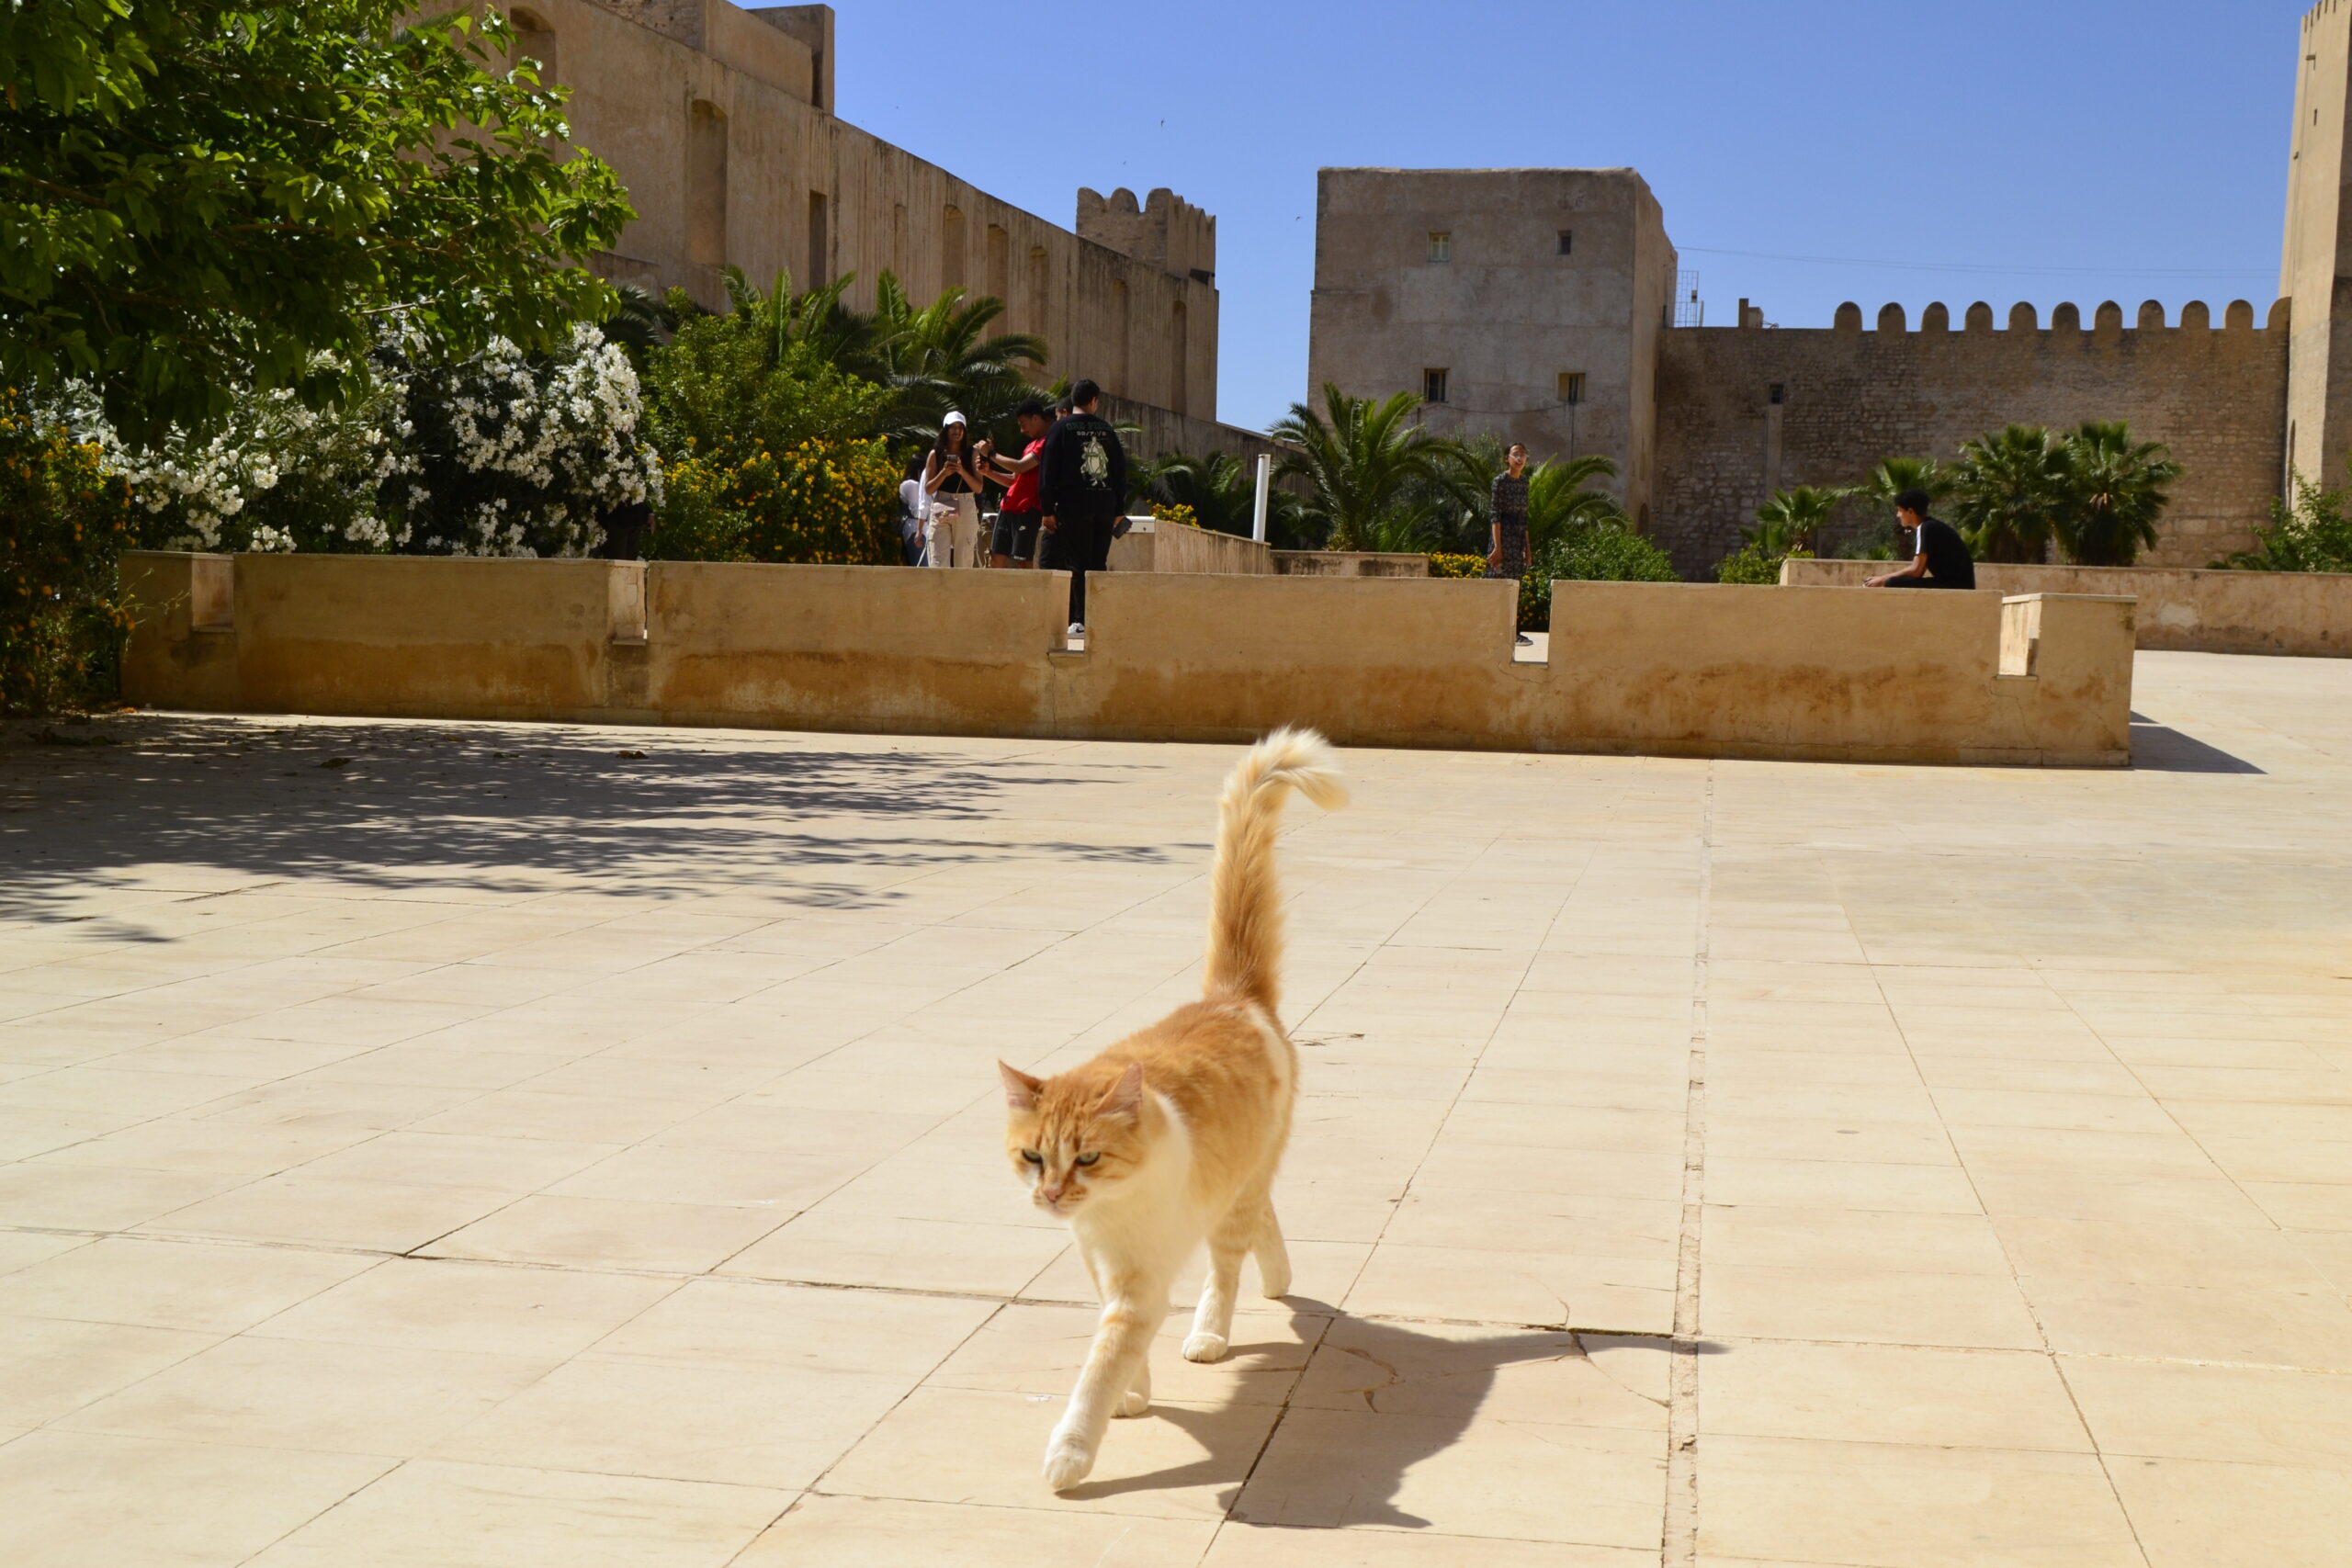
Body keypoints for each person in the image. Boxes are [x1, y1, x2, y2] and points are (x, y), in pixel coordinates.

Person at [1038, 378, 1127, 636]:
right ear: (1094, 401)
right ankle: (1096, 616)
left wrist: (1047, 510)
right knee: (1098, 562)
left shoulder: (1060, 428)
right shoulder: (1107, 430)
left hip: (1072, 506)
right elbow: (1120, 472)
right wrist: (1118, 508)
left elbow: (1048, 473)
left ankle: (1079, 620)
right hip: (1104, 506)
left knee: (1076, 562)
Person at [982, 398, 1053, 567]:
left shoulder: (1046, 443)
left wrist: (992, 454)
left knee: (1023, 562)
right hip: (1007, 508)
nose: (1022, 430)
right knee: (995, 559)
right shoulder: (1031, 445)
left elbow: (1021, 467)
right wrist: (987, 472)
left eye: (1023, 424)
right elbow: (1014, 479)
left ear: (1036, 418)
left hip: (1027, 510)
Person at [1868, 490, 1977, 589]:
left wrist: (1883, 579)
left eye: (1900, 510)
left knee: (1892, 583)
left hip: (1956, 585)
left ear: (1910, 511)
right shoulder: (1931, 526)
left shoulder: (1926, 528)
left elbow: (1916, 571)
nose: (1898, 515)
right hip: (1956, 583)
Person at [923, 412, 987, 568]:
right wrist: (943, 473)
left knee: (963, 561)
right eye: (952, 427)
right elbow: (929, 489)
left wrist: (961, 471)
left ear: (964, 431)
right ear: (945, 429)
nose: (956, 431)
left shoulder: (972, 453)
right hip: (942, 504)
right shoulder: (935, 454)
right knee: (938, 561)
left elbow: (978, 488)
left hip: (965, 502)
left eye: (960, 427)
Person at [1489, 441, 1534, 645]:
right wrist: (1498, 547)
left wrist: (1528, 548)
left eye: (1523, 454)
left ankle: (1513, 631)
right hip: (1502, 536)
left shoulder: (1524, 483)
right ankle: (1494, 630)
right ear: (1507, 458)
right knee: (1498, 582)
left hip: (1517, 538)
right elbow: (1495, 515)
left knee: (1516, 584)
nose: (1520, 458)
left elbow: (1524, 517)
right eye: (1516, 454)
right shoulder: (1500, 481)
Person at [896, 454, 928, 566]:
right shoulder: (911, 485)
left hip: (924, 531)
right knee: (922, 569)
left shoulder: (920, 485)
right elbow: (916, 511)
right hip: (915, 531)